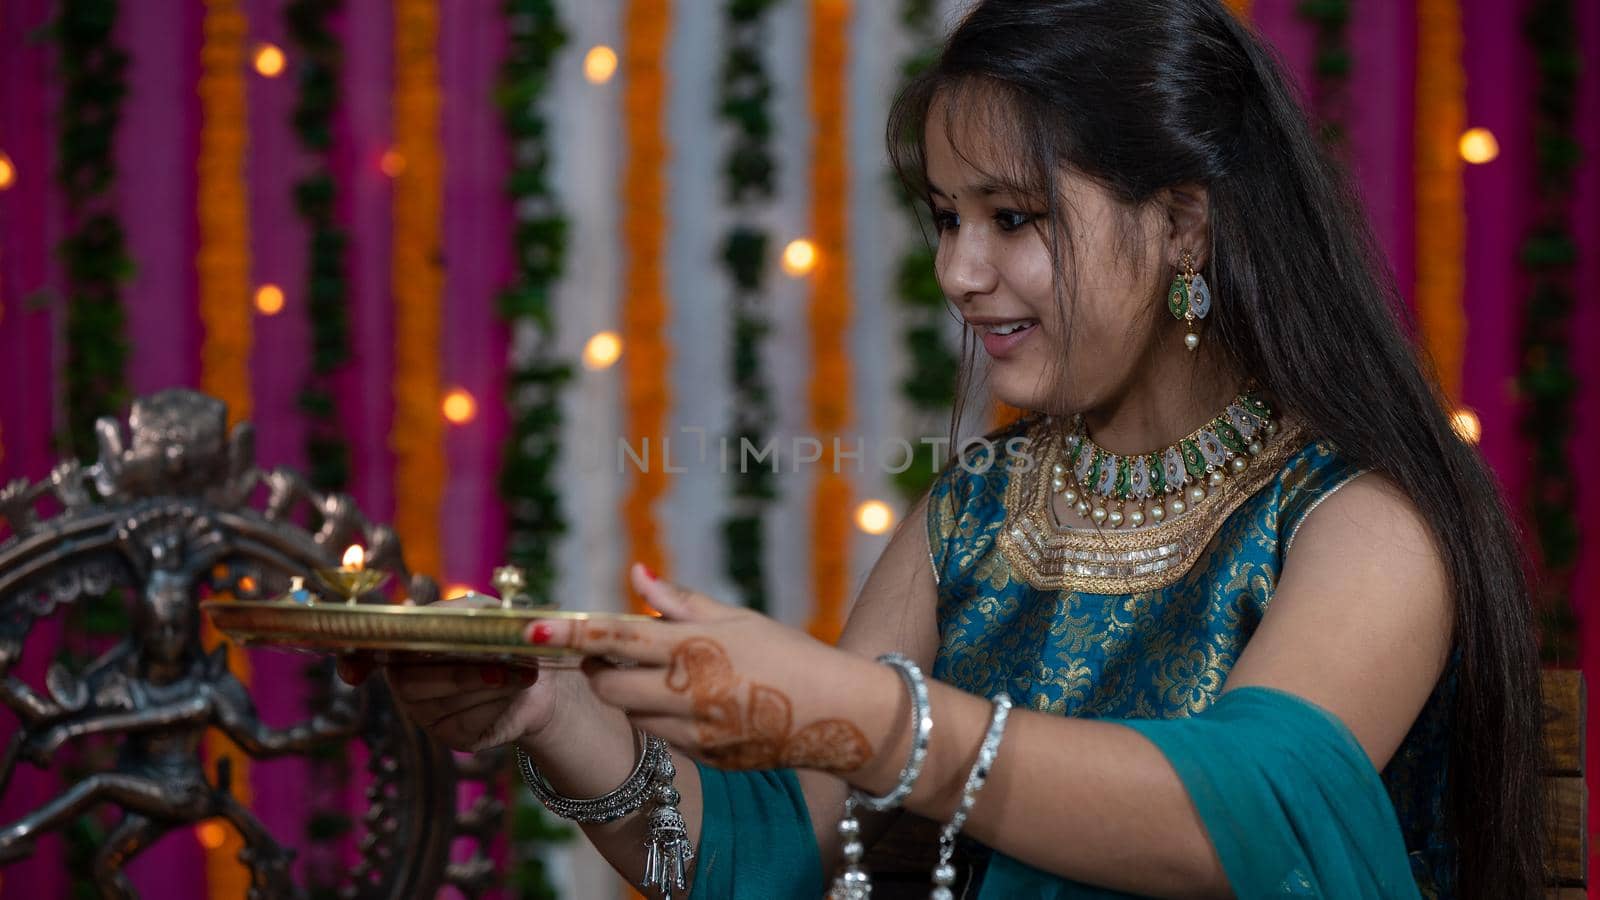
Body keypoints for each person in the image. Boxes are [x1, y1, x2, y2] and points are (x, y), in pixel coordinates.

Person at [342, 1, 1547, 896]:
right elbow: (763, 861)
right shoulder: (976, 514)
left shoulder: (1358, 524)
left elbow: (1243, 822)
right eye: (944, 219)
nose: (958, 275)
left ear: (1183, 225)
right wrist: (554, 713)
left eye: (1012, 219)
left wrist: (878, 720)